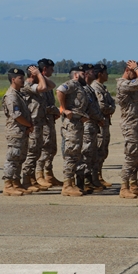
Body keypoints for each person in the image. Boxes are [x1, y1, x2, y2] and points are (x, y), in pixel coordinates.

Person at [116, 59, 138, 199]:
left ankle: (134, 186)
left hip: (135, 125)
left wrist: (137, 71)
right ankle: (124, 187)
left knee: (136, 157)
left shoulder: (130, 85)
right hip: (130, 126)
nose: (136, 76)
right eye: (134, 73)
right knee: (131, 156)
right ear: (128, 71)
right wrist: (136, 68)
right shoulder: (123, 84)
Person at [56, 66, 90, 197]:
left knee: (76, 153)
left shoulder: (80, 87)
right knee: (71, 153)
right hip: (71, 124)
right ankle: (67, 185)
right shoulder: (72, 84)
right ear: (76, 75)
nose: (85, 75)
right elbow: (59, 90)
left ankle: (71, 183)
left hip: (77, 123)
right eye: (83, 73)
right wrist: (63, 108)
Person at [20, 65, 53, 193]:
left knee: (37, 151)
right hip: (32, 122)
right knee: (32, 152)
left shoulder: (37, 82)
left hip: (39, 122)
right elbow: (44, 87)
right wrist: (39, 75)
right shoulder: (27, 85)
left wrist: (40, 75)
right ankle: (26, 180)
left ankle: (32, 179)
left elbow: (51, 85)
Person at [2, 68, 34, 196]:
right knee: (12, 158)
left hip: (22, 131)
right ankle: (8, 185)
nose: (23, 80)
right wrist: (29, 124)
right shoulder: (11, 95)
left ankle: (16, 182)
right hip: (15, 131)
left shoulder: (19, 93)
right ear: (13, 79)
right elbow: (17, 115)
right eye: (20, 78)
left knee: (20, 158)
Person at [35, 58, 62, 189]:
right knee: (44, 148)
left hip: (49, 120)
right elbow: (42, 105)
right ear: (44, 69)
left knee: (52, 148)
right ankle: (39, 175)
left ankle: (49, 174)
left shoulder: (46, 81)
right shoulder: (39, 83)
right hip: (42, 120)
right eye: (51, 69)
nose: (53, 71)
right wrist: (56, 110)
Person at [81, 64, 106, 194]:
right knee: (86, 153)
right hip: (88, 125)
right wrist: (99, 117)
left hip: (94, 125)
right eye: (90, 71)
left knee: (92, 154)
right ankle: (85, 181)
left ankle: (91, 180)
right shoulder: (83, 89)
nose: (93, 73)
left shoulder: (89, 89)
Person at [91, 63, 115, 188]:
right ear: (100, 74)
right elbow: (103, 107)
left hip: (104, 123)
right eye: (106, 72)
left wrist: (111, 107)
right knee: (98, 151)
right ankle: (95, 177)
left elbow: (111, 103)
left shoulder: (102, 87)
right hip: (99, 123)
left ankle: (98, 176)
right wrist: (111, 108)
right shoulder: (96, 88)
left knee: (103, 151)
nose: (108, 75)